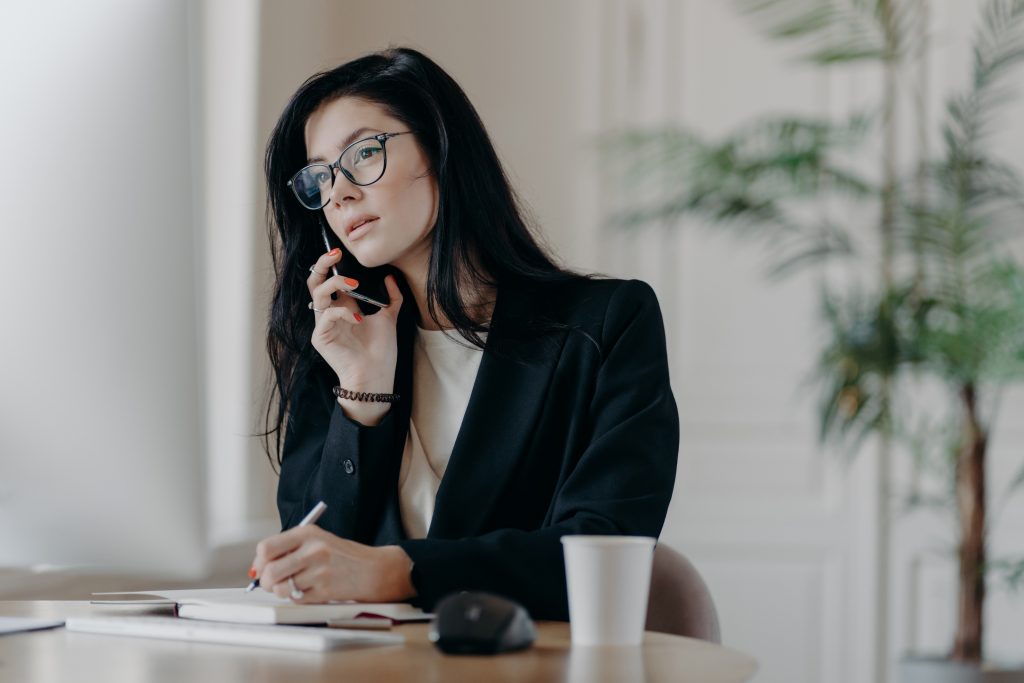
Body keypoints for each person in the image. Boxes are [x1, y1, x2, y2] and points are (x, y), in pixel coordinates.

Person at [251, 47, 679, 620]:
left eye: (362, 154)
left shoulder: (607, 324)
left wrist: (401, 570)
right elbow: (317, 564)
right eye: (320, 177)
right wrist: (363, 392)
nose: (341, 193)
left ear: (441, 145)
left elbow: (606, 549)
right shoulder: (339, 345)